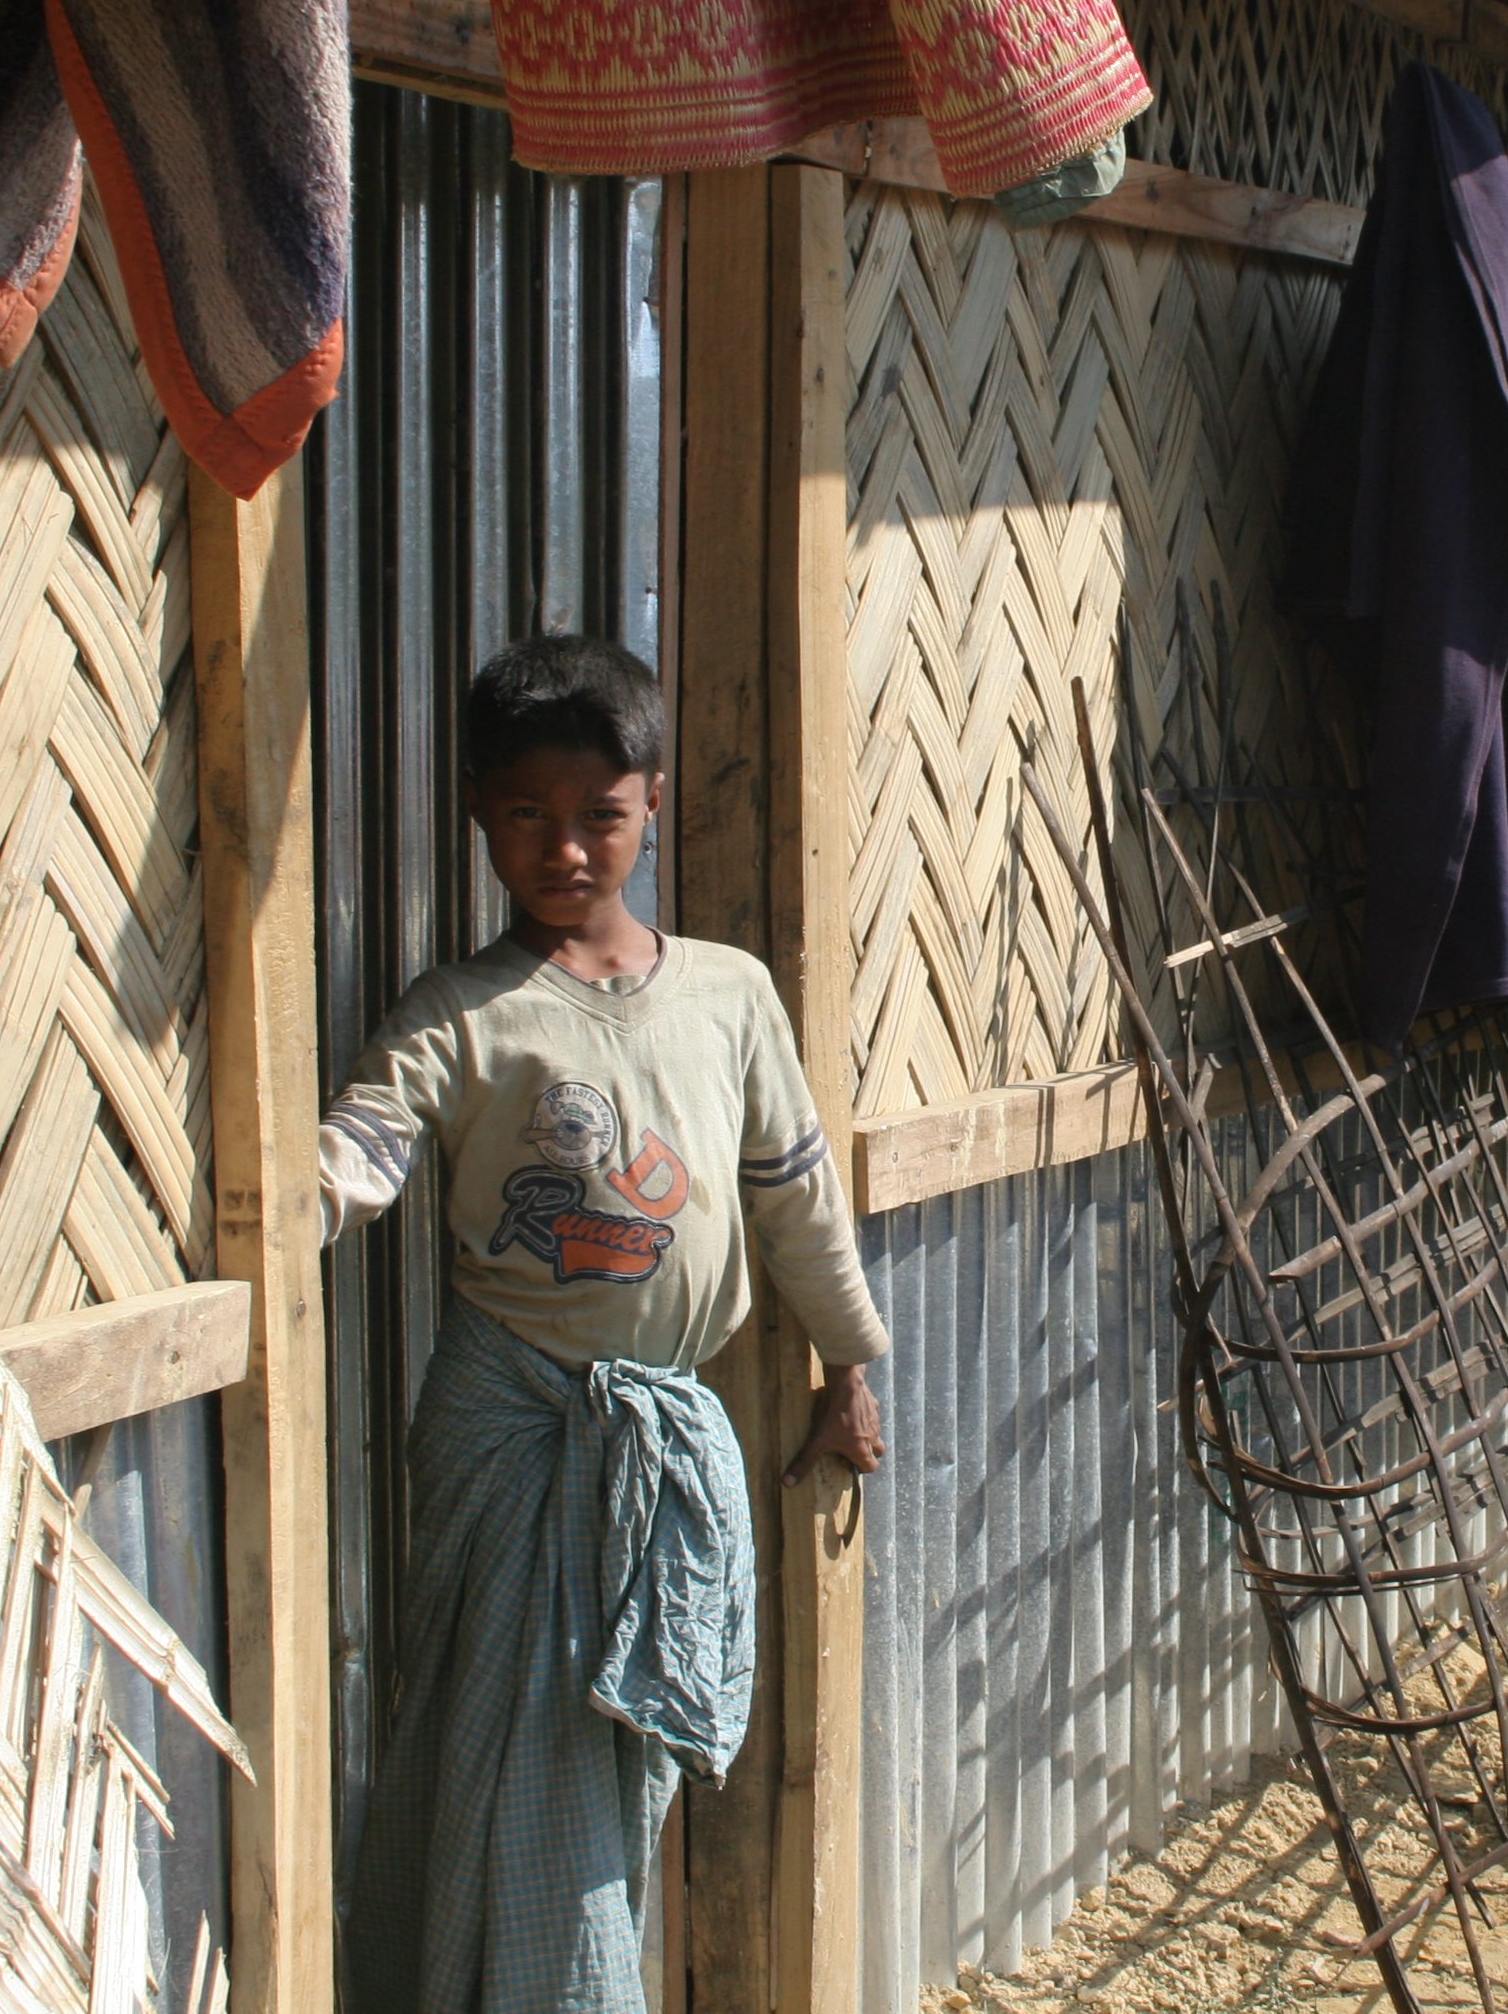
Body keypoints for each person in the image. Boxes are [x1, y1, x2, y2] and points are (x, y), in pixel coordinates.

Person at [330, 634, 888, 2014]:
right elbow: (363, 1144)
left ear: (652, 803)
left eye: (599, 813)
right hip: (509, 1436)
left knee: (606, 1776)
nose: (565, 847)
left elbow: (795, 1195)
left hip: (659, 1438)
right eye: (527, 811)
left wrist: (851, 1361)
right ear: (478, 808)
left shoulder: (728, 992)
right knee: (495, 1754)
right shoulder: (461, 1015)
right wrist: (284, 1203)